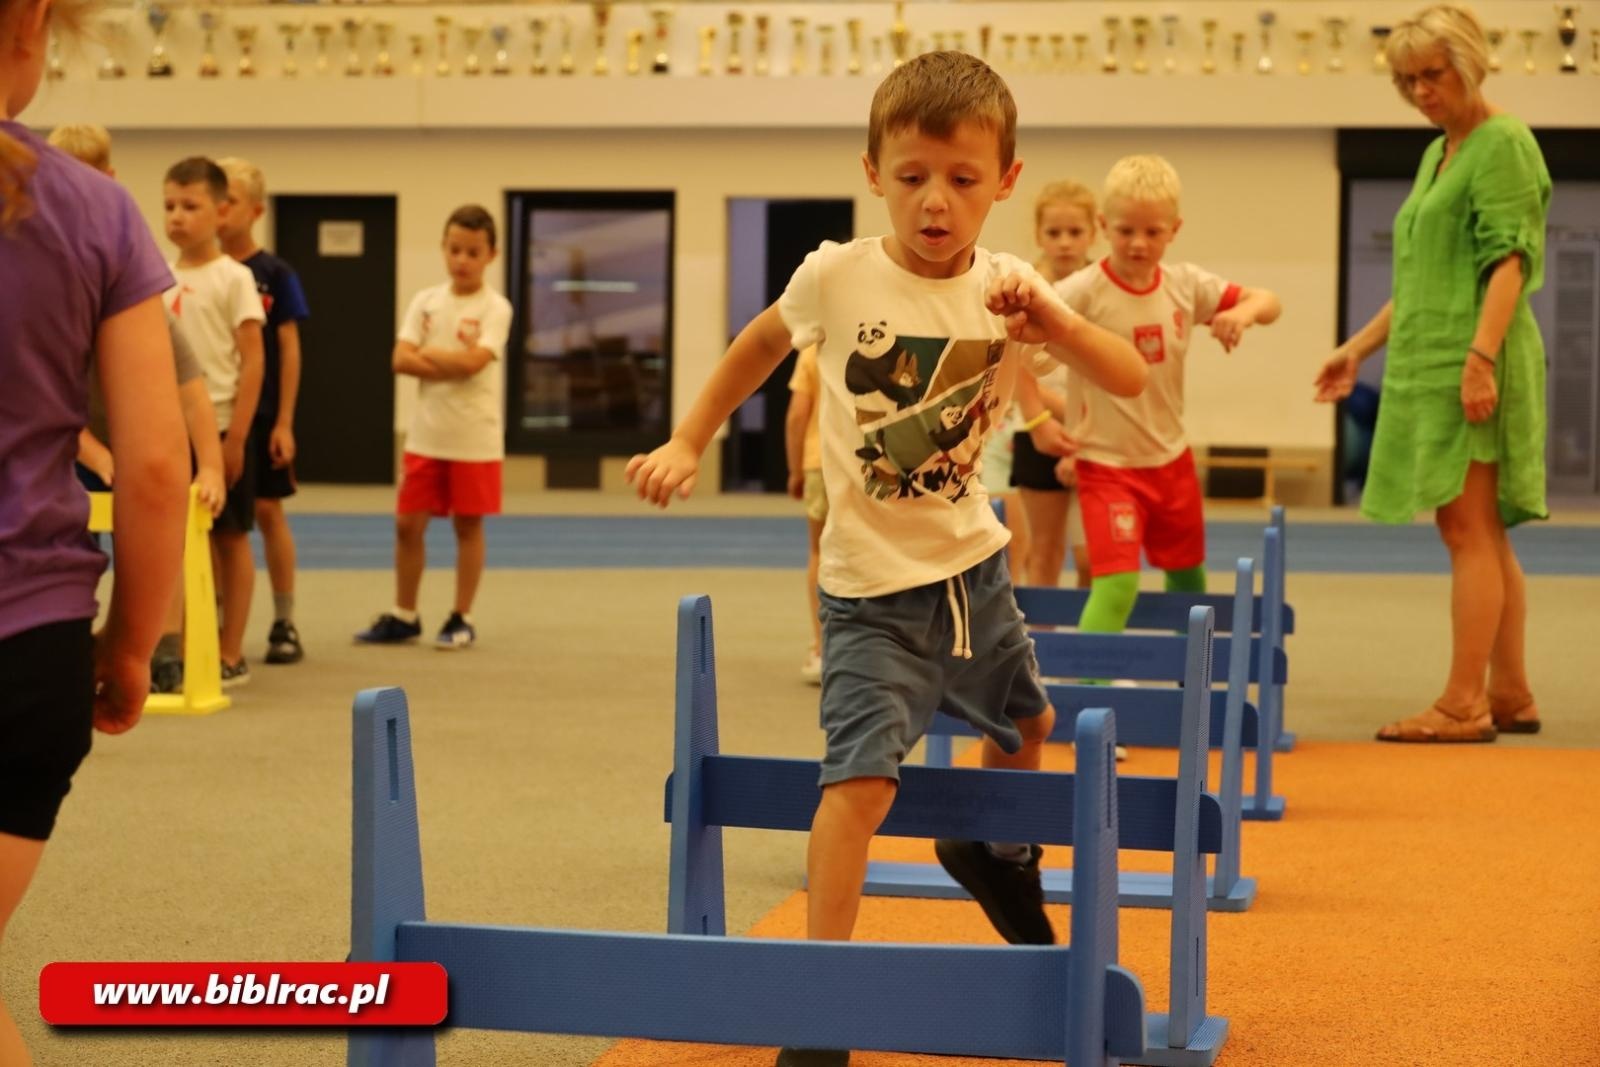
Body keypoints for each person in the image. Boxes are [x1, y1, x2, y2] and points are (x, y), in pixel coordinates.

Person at [626, 51, 1147, 1067]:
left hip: (975, 573)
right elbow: (755, 348)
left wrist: (1054, 323)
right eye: (911, 177)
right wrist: (690, 437)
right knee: (858, 785)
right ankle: (820, 1004)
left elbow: (1123, 373)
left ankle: (992, 856)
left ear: (1005, 179)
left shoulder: (1010, 286)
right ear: (873, 172)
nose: (934, 202)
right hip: (869, 594)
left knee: (1030, 723)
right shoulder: (837, 273)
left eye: (961, 178)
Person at [1, 0, 189, 1058]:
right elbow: (156, 465)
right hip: (26, 646)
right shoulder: (96, 213)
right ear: (33, 22)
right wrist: (127, 645)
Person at [1315, 4, 1548, 742]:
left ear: (1470, 63)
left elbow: (1509, 262)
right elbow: (1420, 283)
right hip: (1434, 353)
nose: (1420, 91)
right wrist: (1355, 348)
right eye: (1407, 79)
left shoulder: (1502, 141)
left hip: (1472, 357)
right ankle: (1510, 692)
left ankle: (1463, 702)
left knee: (1466, 526)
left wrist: (1480, 361)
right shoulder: (1439, 151)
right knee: (1480, 531)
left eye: (1432, 74)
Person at [1051, 154, 1281, 642]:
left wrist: (1241, 316)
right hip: (1106, 465)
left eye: (1153, 232)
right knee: (1116, 588)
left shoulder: (1184, 285)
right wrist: (1034, 419)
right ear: (1102, 226)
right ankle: (1084, 700)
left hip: (1171, 462)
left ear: (1174, 230)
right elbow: (1017, 340)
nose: (1138, 243)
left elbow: (1268, 302)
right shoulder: (1082, 292)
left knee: (1189, 582)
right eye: (1125, 230)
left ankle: (1189, 691)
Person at [48, 123, 227, 694]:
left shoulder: (144, 307)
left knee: (157, 525)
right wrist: (97, 453)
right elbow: (46, 400)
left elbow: (192, 393)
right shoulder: (49, 300)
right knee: (74, 538)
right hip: (75, 440)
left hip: (138, 434)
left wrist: (212, 466)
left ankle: (164, 646)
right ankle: (72, 636)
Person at [356, 205, 512, 650]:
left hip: (474, 438)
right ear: (444, 248)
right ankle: (405, 614)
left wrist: (433, 359)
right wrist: (451, 363)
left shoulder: (496, 308)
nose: (461, 259)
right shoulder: (425, 301)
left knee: (467, 525)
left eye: (472, 252)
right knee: (407, 524)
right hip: (425, 436)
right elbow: (399, 359)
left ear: (490, 255)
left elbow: (475, 363)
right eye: (454, 249)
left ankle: (461, 616)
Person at [161, 156, 266, 686]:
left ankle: (230, 649)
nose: (177, 217)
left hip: (222, 425)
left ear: (222, 211)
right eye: (169, 207)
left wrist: (237, 438)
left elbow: (254, 360)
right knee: (179, 540)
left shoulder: (236, 278)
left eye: (191, 206)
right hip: (170, 430)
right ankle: (181, 644)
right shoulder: (156, 276)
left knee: (229, 537)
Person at [217, 156, 312, 667]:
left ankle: (283, 618)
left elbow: (290, 348)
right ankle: (214, 619)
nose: (220, 208)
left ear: (254, 210)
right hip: (215, 417)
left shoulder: (274, 273)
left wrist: (284, 421)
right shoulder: (202, 270)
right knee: (216, 524)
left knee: (270, 514)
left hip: (264, 416)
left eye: (228, 199)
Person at [1012, 180, 1098, 588]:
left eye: (1075, 232)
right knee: (1043, 553)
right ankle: (1039, 646)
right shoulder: (1025, 288)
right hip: (1041, 428)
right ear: (1038, 235)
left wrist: (1084, 431)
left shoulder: (1103, 289)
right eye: (1054, 233)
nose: (1065, 243)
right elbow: (1017, 369)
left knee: (1092, 558)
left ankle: (1089, 648)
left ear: (1093, 234)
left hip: (1096, 432)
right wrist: (1046, 419)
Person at [784, 344, 826, 684]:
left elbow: (798, 414)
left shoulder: (812, 350)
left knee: (819, 552)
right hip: (865, 465)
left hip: (819, 463)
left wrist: (795, 470)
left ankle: (821, 647)